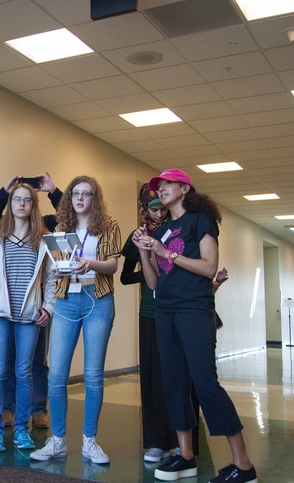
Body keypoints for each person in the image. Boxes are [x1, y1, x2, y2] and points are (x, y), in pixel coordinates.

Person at [135, 169, 256, 483]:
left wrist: (167, 253)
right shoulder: (163, 230)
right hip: (165, 310)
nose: (160, 190)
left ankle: (243, 465)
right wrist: (145, 252)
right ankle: (184, 456)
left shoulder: (200, 220)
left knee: (204, 383)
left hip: (194, 310)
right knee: (173, 382)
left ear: (184, 188)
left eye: (166, 185)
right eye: (157, 187)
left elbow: (209, 267)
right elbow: (153, 282)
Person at [30, 175, 121, 465]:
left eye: (87, 194)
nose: (80, 198)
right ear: (69, 198)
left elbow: (113, 265)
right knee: (56, 375)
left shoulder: (109, 225)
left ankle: (89, 443)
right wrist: (61, 268)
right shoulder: (61, 226)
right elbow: (57, 262)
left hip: (98, 298)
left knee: (93, 375)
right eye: (75, 194)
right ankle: (56, 441)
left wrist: (90, 263)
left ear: (95, 198)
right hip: (67, 299)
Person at [0, 172, 62, 429]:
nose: (23, 203)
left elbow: (70, 219)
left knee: (35, 362)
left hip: (34, 310)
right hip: (4, 310)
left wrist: (53, 190)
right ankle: (7, 409)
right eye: (17, 199)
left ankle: (38, 410)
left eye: (28, 199)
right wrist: (6, 190)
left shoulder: (45, 228)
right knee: (6, 363)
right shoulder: (0, 230)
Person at [120, 185, 178, 463]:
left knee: (177, 377)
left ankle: (181, 440)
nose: (159, 213)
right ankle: (156, 442)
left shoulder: (177, 231)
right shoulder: (138, 236)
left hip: (177, 309)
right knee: (152, 379)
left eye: (162, 209)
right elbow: (124, 278)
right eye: (154, 209)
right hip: (151, 312)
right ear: (146, 209)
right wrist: (149, 272)